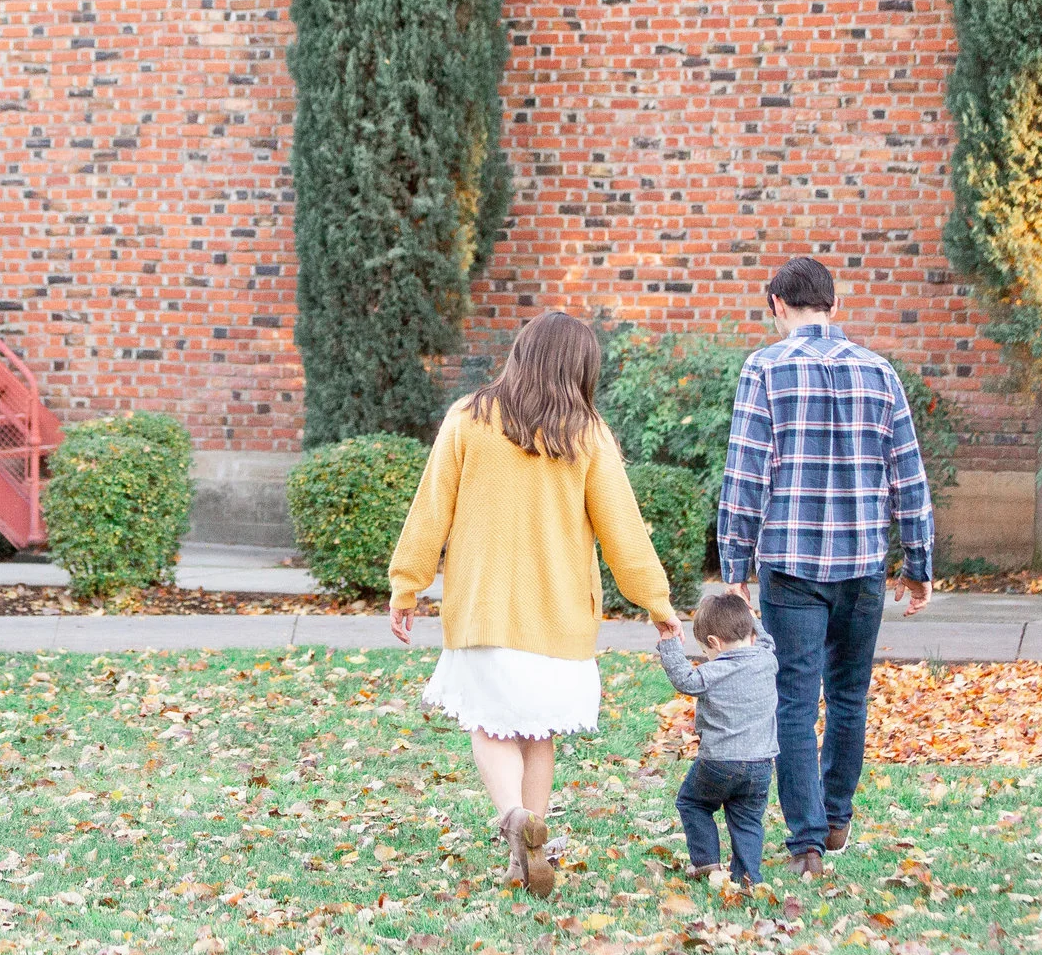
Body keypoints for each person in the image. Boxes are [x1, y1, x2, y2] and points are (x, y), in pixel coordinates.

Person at [387, 309, 682, 898]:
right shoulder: (587, 434)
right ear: (580, 368)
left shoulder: (467, 419)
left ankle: (513, 821)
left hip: (483, 609)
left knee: (490, 725)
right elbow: (623, 529)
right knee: (538, 732)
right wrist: (657, 602)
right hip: (560, 614)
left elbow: (430, 509)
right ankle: (532, 840)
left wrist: (407, 584)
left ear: (520, 353)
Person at [718, 256, 934, 880]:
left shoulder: (764, 369)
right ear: (833, 307)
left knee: (794, 697)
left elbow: (745, 472)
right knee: (847, 695)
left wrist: (735, 559)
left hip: (791, 565)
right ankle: (836, 818)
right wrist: (917, 562)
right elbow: (909, 476)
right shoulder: (879, 372)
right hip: (863, 563)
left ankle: (806, 842)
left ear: (777, 305)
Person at [656, 589, 778, 887]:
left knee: (693, 803)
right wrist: (751, 617)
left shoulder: (715, 670)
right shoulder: (767, 660)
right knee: (747, 819)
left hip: (719, 761)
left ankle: (707, 863)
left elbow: (685, 679)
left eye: (705, 649)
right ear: (751, 633)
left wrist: (670, 643)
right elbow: (766, 640)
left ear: (713, 643)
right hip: (762, 763)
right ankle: (748, 875)